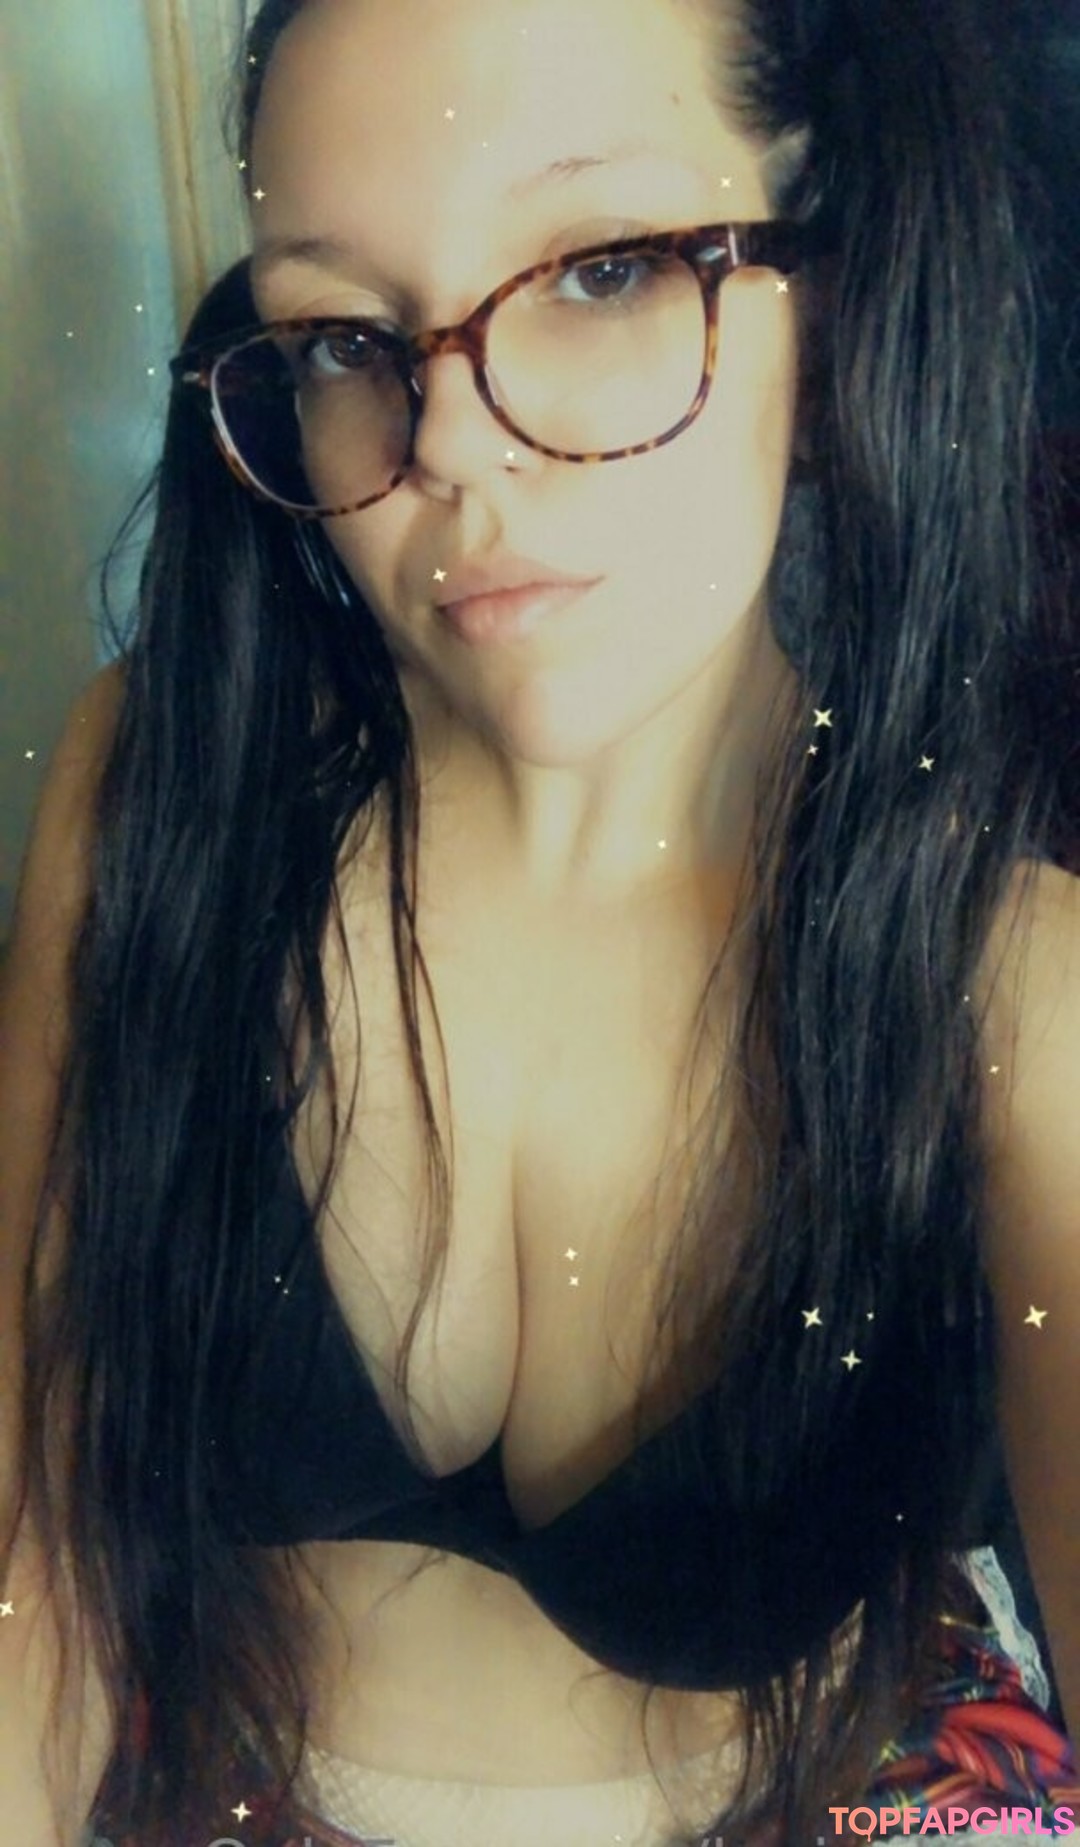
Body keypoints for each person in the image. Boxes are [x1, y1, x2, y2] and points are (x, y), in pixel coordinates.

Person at [1, 0, 1078, 1843]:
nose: (450, 446)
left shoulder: (1007, 990)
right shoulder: (168, 793)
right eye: (347, 337)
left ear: (829, 293)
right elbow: (36, 1545)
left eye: (601, 270)